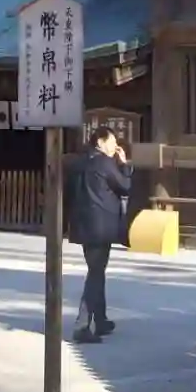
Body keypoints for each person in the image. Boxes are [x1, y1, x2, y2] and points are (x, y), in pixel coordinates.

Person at [67, 125, 131, 344]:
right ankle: (82, 325)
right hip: (101, 226)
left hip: (83, 225)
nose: (115, 146)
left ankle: (101, 319)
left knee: (97, 270)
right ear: (101, 142)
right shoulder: (105, 162)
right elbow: (125, 186)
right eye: (112, 142)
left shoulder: (79, 162)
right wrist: (124, 165)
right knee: (95, 273)